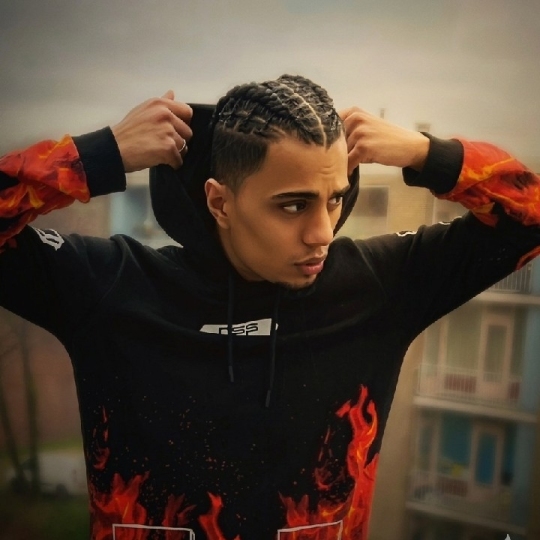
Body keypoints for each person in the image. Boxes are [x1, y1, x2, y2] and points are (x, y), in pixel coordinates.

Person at [1, 74, 539, 540]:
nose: (322, 232)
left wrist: (428, 155)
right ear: (220, 202)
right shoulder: (113, 286)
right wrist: (96, 156)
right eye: (293, 205)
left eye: (335, 198)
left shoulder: (378, 286)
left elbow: (529, 220)